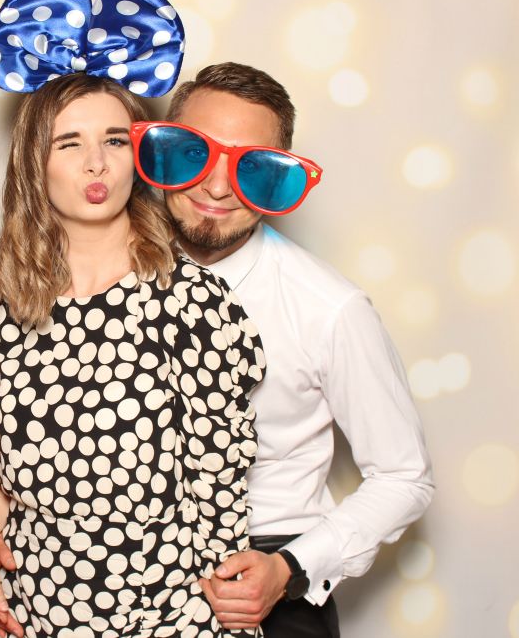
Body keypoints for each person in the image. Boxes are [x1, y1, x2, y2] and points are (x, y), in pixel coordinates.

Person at [0, 0, 266, 638]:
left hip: (168, 618)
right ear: (35, 164)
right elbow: (14, 469)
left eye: (114, 140)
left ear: (139, 155)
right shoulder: (1, 304)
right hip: (34, 612)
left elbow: (219, 497)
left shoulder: (192, 303)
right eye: (69, 143)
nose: (95, 163)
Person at [141, 62, 434, 637]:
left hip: (269, 569)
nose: (217, 187)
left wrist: (291, 568)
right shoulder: (100, 276)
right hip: (118, 570)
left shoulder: (330, 308)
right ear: (165, 152)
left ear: (275, 176)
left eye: (249, 166)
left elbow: (405, 476)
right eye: (196, 153)